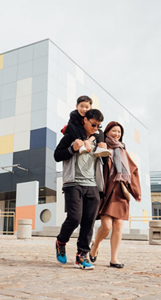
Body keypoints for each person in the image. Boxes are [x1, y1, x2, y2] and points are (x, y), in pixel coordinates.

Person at [54, 109, 108, 270]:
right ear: (84, 120)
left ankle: (82, 256)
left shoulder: (98, 137)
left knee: (89, 222)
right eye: (93, 124)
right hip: (73, 183)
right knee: (75, 218)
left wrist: (104, 151)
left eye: (99, 125)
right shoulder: (71, 135)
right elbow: (57, 155)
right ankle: (61, 241)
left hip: (92, 185)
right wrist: (72, 149)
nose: (96, 128)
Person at [89, 121, 141, 269]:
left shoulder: (123, 150)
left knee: (118, 225)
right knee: (106, 226)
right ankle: (95, 245)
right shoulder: (101, 145)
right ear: (107, 132)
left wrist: (136, 191)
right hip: (106, 190)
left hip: (120, 191)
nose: (116, 134)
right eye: (114, 131)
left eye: (119, 132)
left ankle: (114, 258)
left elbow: (133, 170)